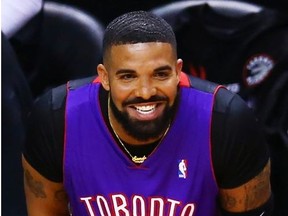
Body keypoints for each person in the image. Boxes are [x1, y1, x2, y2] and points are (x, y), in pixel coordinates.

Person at [22, 11, 273, 215]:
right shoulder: (57, 118)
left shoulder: (225, 120)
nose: (145, 92)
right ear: (105, 77)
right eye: (128, 76)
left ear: (178, 71)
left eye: (160, 74)